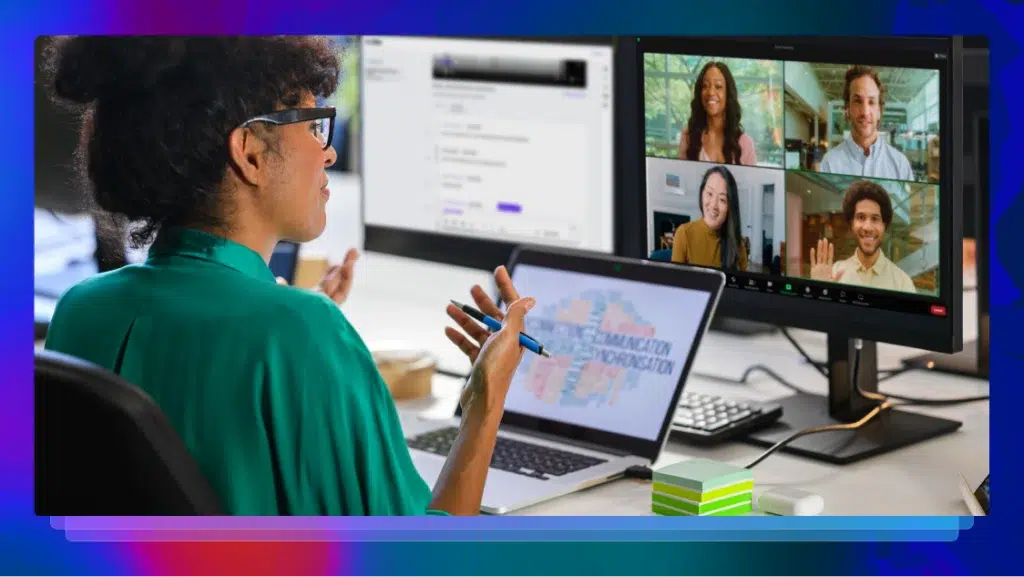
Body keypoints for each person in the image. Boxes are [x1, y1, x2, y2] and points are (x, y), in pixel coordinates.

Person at [41, 36, 536, 516]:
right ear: (251, 151)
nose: (329, 153)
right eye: (314, 124)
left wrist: (295, 329)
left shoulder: (82, 308)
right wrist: (485, 399)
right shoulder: (298, 330)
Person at [809, 179, 917, 293]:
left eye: (875, 219)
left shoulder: (902, 283)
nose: (867, 227)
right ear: (852, 224)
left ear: (884, 225)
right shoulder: (834, 272)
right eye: (861, 217)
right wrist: (818, 292)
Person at [819, 66, 915, 182]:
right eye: (858, 101)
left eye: (872, 102)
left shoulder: (900, 165)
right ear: (847, 109)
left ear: (879, 111)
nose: (865, 112)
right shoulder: (830, 163)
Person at [677, 61, 757, 166]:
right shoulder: (688, 136)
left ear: (728, 94)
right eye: (705, 86)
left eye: (718, 86)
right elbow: (680, 177)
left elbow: (752, 182)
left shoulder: (745, 144)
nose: (710, 92)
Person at [671, 165, 748, 271]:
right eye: (709, 194)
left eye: (722, 199)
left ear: (730, 206)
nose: (713, 206)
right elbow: (676, 282)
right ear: (701, 193)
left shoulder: (738, 244)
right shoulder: (684, 233)